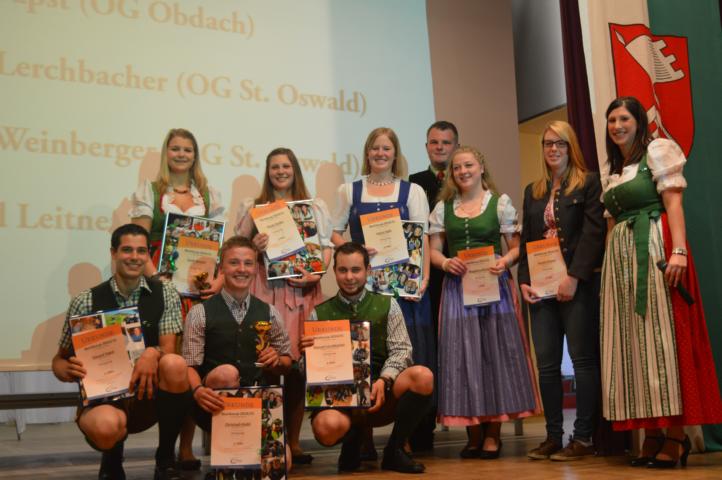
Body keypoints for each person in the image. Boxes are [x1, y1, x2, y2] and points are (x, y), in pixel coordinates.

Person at [600, 96, 722, 468]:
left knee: (663, 340)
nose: (617, 126)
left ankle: (676, 436)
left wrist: (679, 251)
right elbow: (611, 225)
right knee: (637, 347)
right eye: (612, 120)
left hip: (654, 249)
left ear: (639, 121)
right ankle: (652, 433)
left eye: (624, 118)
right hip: (621, 264)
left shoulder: (657, 151)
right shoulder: (615, 170)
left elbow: (673, 204)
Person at [51, 224, 189, 480]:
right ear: (113, 253)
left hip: (148, 394)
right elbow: (59, 361)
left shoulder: (165, 292)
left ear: (147, 255)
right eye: (127, 250)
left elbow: (169, 349)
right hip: (105, 398)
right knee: (106, 428)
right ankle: (112, 459)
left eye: (141, 251)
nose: (134, 257)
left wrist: (151, 353)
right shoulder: (86, 300)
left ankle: (165, 458)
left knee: (175, 364)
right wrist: (66, 369)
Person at [429, 146, 540, 459]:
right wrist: (445, 262)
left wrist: (504, 261)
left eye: (468, 165)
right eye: (457, 168)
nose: (462, 171)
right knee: (462, 358)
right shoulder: (443, 208)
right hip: (457, 291)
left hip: (494, 288)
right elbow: (433, 250)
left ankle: (493, 434)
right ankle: (473, 433)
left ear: (480, 168)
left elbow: (516, 247)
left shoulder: (499, 203)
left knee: (495, 356)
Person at [331, 127, 435, 458]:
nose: (380, 153)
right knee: (363, 358)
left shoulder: (413, 191)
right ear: (367, 152)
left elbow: (422, 238)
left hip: (402, 288)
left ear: (395, 153)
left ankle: (402, 437)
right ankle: (361, 433)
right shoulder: (349, 190)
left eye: (386, 148)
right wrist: (356, 250)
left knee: (405, 358)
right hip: (363, 289)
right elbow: (333, 233)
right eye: (375, 148)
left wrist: (424, 279)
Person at [129, 128, 225, 469]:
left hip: (197, 288)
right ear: (166, 152)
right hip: (162, 286)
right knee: (171, 363)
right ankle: (166, 446)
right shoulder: (151, 191)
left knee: (193, 363)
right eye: (175, 149)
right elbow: (140, 239)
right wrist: (158, 282)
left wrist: (214, 281)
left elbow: (216, 245)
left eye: (187, 149)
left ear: (195, 155)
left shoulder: (209, 194)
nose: (181, 154)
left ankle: (186, 448)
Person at [234, 147, 333, 465]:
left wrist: (317, 273)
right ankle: (267, 439)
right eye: (275, 167)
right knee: (267, 364)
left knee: (299, 369)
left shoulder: (313, 207)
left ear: (295, 170)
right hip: (266, 292)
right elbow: (238, 248)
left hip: (303, 292)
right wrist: (254, 245)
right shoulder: (253, 207)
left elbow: (326, 247)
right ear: (268, 171)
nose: (280, 171)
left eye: (286, 166)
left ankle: (293, 442)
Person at [301, 242, 434, 474]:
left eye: (356, 270)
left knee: (423, 377)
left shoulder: (388, 304)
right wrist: (306, 356)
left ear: (368, 270)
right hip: (341, 402)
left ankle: (395, 450)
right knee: (325, 427)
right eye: (343, 270)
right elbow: (306, 373)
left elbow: (402, 350)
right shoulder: (318, 313)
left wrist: (384, 379)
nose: (349, 277)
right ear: (335, 272)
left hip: (381, 396)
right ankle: (352, 439)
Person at [517, 121, 606, 460]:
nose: (553, 149)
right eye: (547, 143)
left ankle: (582, 438)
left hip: (576, 286)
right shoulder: (533, 190)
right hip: (540, 289)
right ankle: (553, 436)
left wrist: (574, 277)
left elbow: (593, 234)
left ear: (571, 148)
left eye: (560, 143)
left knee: (583, 361)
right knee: (547, 365)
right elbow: (527, 240)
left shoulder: (589, 183)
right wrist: (524, 281)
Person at [182, 236, 294, 469]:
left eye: (248, 263)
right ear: (221, 268)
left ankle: (238, 456)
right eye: (234, 263)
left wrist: (277, 359)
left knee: (283, 464)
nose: (242, 269)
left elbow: (287, 361)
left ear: (255, 268)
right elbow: (190, 366)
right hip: (212, 405)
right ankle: (228, 452)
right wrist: (198, 390)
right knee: (227, 373)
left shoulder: (270, 312)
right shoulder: (200, 313)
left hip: (256, 404)